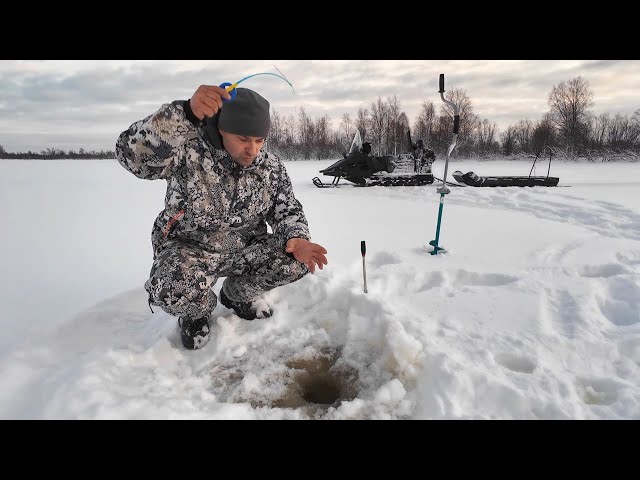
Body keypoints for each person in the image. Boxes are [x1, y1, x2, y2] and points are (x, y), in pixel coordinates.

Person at [116, 85, 328, 350]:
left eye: (259, 140)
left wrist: (297, 238)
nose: (252, 149)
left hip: (245, 248)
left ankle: (236, 296)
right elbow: (131, 156)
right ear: (222, 130)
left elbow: (286, 209)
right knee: (169, 289)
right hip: (191, 248)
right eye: (242, 138)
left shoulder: (270, 166)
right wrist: (183, 115)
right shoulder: (188, 151)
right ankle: (197, 311)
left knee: (295, 263)